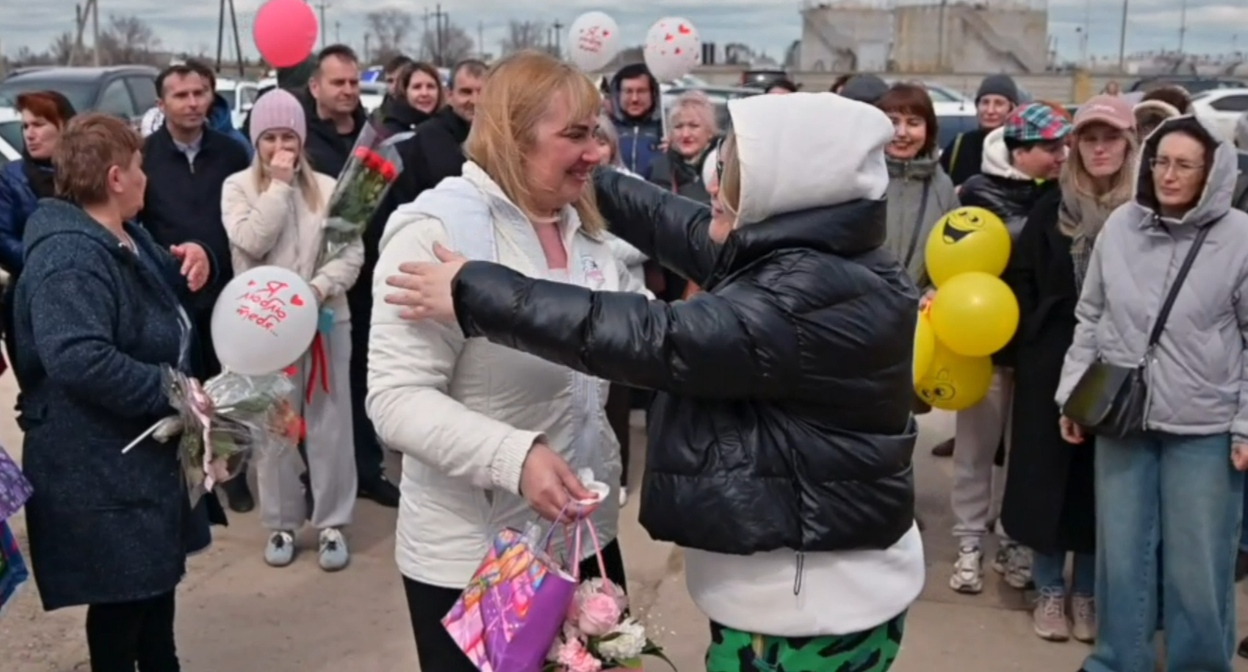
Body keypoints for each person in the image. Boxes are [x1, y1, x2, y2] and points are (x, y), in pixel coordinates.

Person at [385, 90, 924, 672]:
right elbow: (684, 226)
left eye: (734, 174)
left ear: (788, 188)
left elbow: (653, 336)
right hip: (803, 578)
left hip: (812, 605)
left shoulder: (800, 297)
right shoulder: (817, 249)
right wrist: (589, 172)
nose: (712, 186)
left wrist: (473, 290)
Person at [367, 51, 638, 671]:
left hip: (586, 540)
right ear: (512, 136)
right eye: (574, 135)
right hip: (477, 558)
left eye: (596, 132)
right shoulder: (437, 232)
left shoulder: (589, 231)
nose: (595, 151)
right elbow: (396, 399)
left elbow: (634, 335)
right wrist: (514, 458)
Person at [12, 113, 214, 672]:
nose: (147, 178)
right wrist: (174, 390)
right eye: (140, 166)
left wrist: (197, 256)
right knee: (124, 614)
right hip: (97, 465)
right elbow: (78, 358)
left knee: (152, 599)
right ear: (115, 177)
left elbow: (157, 299)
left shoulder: (121, 233)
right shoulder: (68, 257)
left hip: (134, 460)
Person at [1057, 113, 1248, 672]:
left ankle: (1199, 665)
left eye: (1185, 165)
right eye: (1161, 161)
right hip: (1124, 418)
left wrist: (1244, 425)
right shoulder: (1121, 227)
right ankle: (1119, 660)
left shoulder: (1239, 238)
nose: (1168, 175)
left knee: (1199, 564)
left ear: (1213, 171)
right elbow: (1090, 315)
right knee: (1122, 557)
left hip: (1204, 427)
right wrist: (1074, 394)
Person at [1002, 95, 1137, 643]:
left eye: (1111, 138)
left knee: (1101, 482)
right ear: (1075, 146)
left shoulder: (1145, 211)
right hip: (1053, 360)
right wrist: (1037, 340)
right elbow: (1022, 279)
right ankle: (1050, 586)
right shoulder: (1050, 208)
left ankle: (1090, 592)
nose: (1100, 148)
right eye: (1089, 138)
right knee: (1046, 477)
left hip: (1122, 364)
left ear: (1130, 144)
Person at [221, 89, 363, 571]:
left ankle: (331, 524)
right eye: (269, 137)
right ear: (256, 141)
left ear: (302, 139)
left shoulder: (327, 186)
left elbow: (351, 252)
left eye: (288, 136)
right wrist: (278, 188)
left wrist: (319, 289)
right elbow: (249, 243)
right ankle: (281, 522)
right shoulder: (238, 188)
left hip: (326, 321)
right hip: (268, 328)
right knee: (277, 424)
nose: (280, 146)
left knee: (329, 423)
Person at [348, 58, 490, 510]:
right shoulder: (419, 139)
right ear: (452, 95)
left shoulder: (491, 140)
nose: (473, 101)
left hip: (471, 286)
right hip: (421, 281)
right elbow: (360, 205)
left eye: (481, 92)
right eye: (465, 92)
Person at [948, 102, 1072, 595]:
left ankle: (1013, 539)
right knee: (975, 450)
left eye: (1064, 146)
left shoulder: (1067, 197)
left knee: (1026, 456)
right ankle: (968, 542)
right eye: (1050, 147)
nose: (1062, 155)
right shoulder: (978, 194)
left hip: (1039, 349)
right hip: (985, 345)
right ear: (1020, 151)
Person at [140, 62, 253, 511]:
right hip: (170, 290)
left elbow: (242, 222)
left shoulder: (232, 152)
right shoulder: (144, 156)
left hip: (225, 286)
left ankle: (233, 472)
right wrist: (175, 257)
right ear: (161, 103)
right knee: (185, 388)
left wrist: (211, 253)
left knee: (232, 384)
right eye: (181, 95)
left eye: (200, 93)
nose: (192, 103)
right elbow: (137, 224)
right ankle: (192, 474)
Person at [593, 115, 648, 507]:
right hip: (584, 302)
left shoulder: (633, 187)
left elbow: (646, 242)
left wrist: (594, 252)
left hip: (622, 303)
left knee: (617, 402)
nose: (593, 151)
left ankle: (619, 476)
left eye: (601, 142)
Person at [875, 83, 958, 290]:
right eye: (892, 122)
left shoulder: (942, 186)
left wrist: (935, 290)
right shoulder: (860, 178)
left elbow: (956, 251)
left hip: (921, 313)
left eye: (913, 123)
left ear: (928, 129)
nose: (902, 133)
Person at [0, 91, 75, 276]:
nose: (29, 134)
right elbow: (3, 238)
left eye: (38, 125)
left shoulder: (89, 172)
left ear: (64, 126)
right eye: (25, 127)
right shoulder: (12, 177)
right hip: (34, 284)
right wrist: (45, 261)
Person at [939, 74, 1020, 186]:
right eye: (985, 102)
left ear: (1012, 109)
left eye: (999, 103)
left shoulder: (1021, 149)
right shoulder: (960, 144)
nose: (990, 110)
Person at [301, 44, 366, 177]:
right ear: (315, 87)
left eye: (353, 83)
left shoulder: (374, 137)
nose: (348, 91)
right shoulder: (300, 141)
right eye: (338, 83)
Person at [608, 63, 664, 177]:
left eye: (641, 91)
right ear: (618, 94)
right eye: (628, 91)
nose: (634, 99)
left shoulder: (666, 131)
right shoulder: (606, 130)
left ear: (653, 94)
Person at [380, 61, 444, 135]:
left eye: (430, 86)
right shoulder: (391, 132)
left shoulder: (447, 126)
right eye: (417, 87)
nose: (424, 93)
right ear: (404, 91)